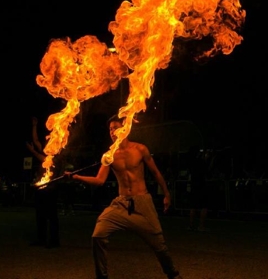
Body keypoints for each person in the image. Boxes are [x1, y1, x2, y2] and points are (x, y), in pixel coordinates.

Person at [65, 115, 182, 279]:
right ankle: (102, 276)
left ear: (125, 128)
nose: (112, 131)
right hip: (121, 204)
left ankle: (173, 274)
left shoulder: (140, 149)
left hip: (142, 203)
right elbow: (99, 180)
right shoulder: (109, 155)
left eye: (115, 127)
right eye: (110, 129)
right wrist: (76, 177)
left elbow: (155, 172)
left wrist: (167, 194)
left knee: (159, 244)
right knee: (98, 235)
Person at [26, 116, 60, 249]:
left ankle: (54, 241)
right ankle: (41, 238)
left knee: (51, 215)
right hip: (41, 187)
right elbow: (35, 141)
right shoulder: (45, 148)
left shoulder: (56, 152)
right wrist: (34, 126)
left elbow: (42, 158)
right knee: (40, 214)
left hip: (51, 187)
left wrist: (32, 151)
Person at [186, 146, 209, 232]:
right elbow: (207, 172)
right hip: (201, 185)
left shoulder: (191, 163)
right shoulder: (201, 162)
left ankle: (191, 225)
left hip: (194, 185)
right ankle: (201, 226)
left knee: (193, 206)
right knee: (204, 206)